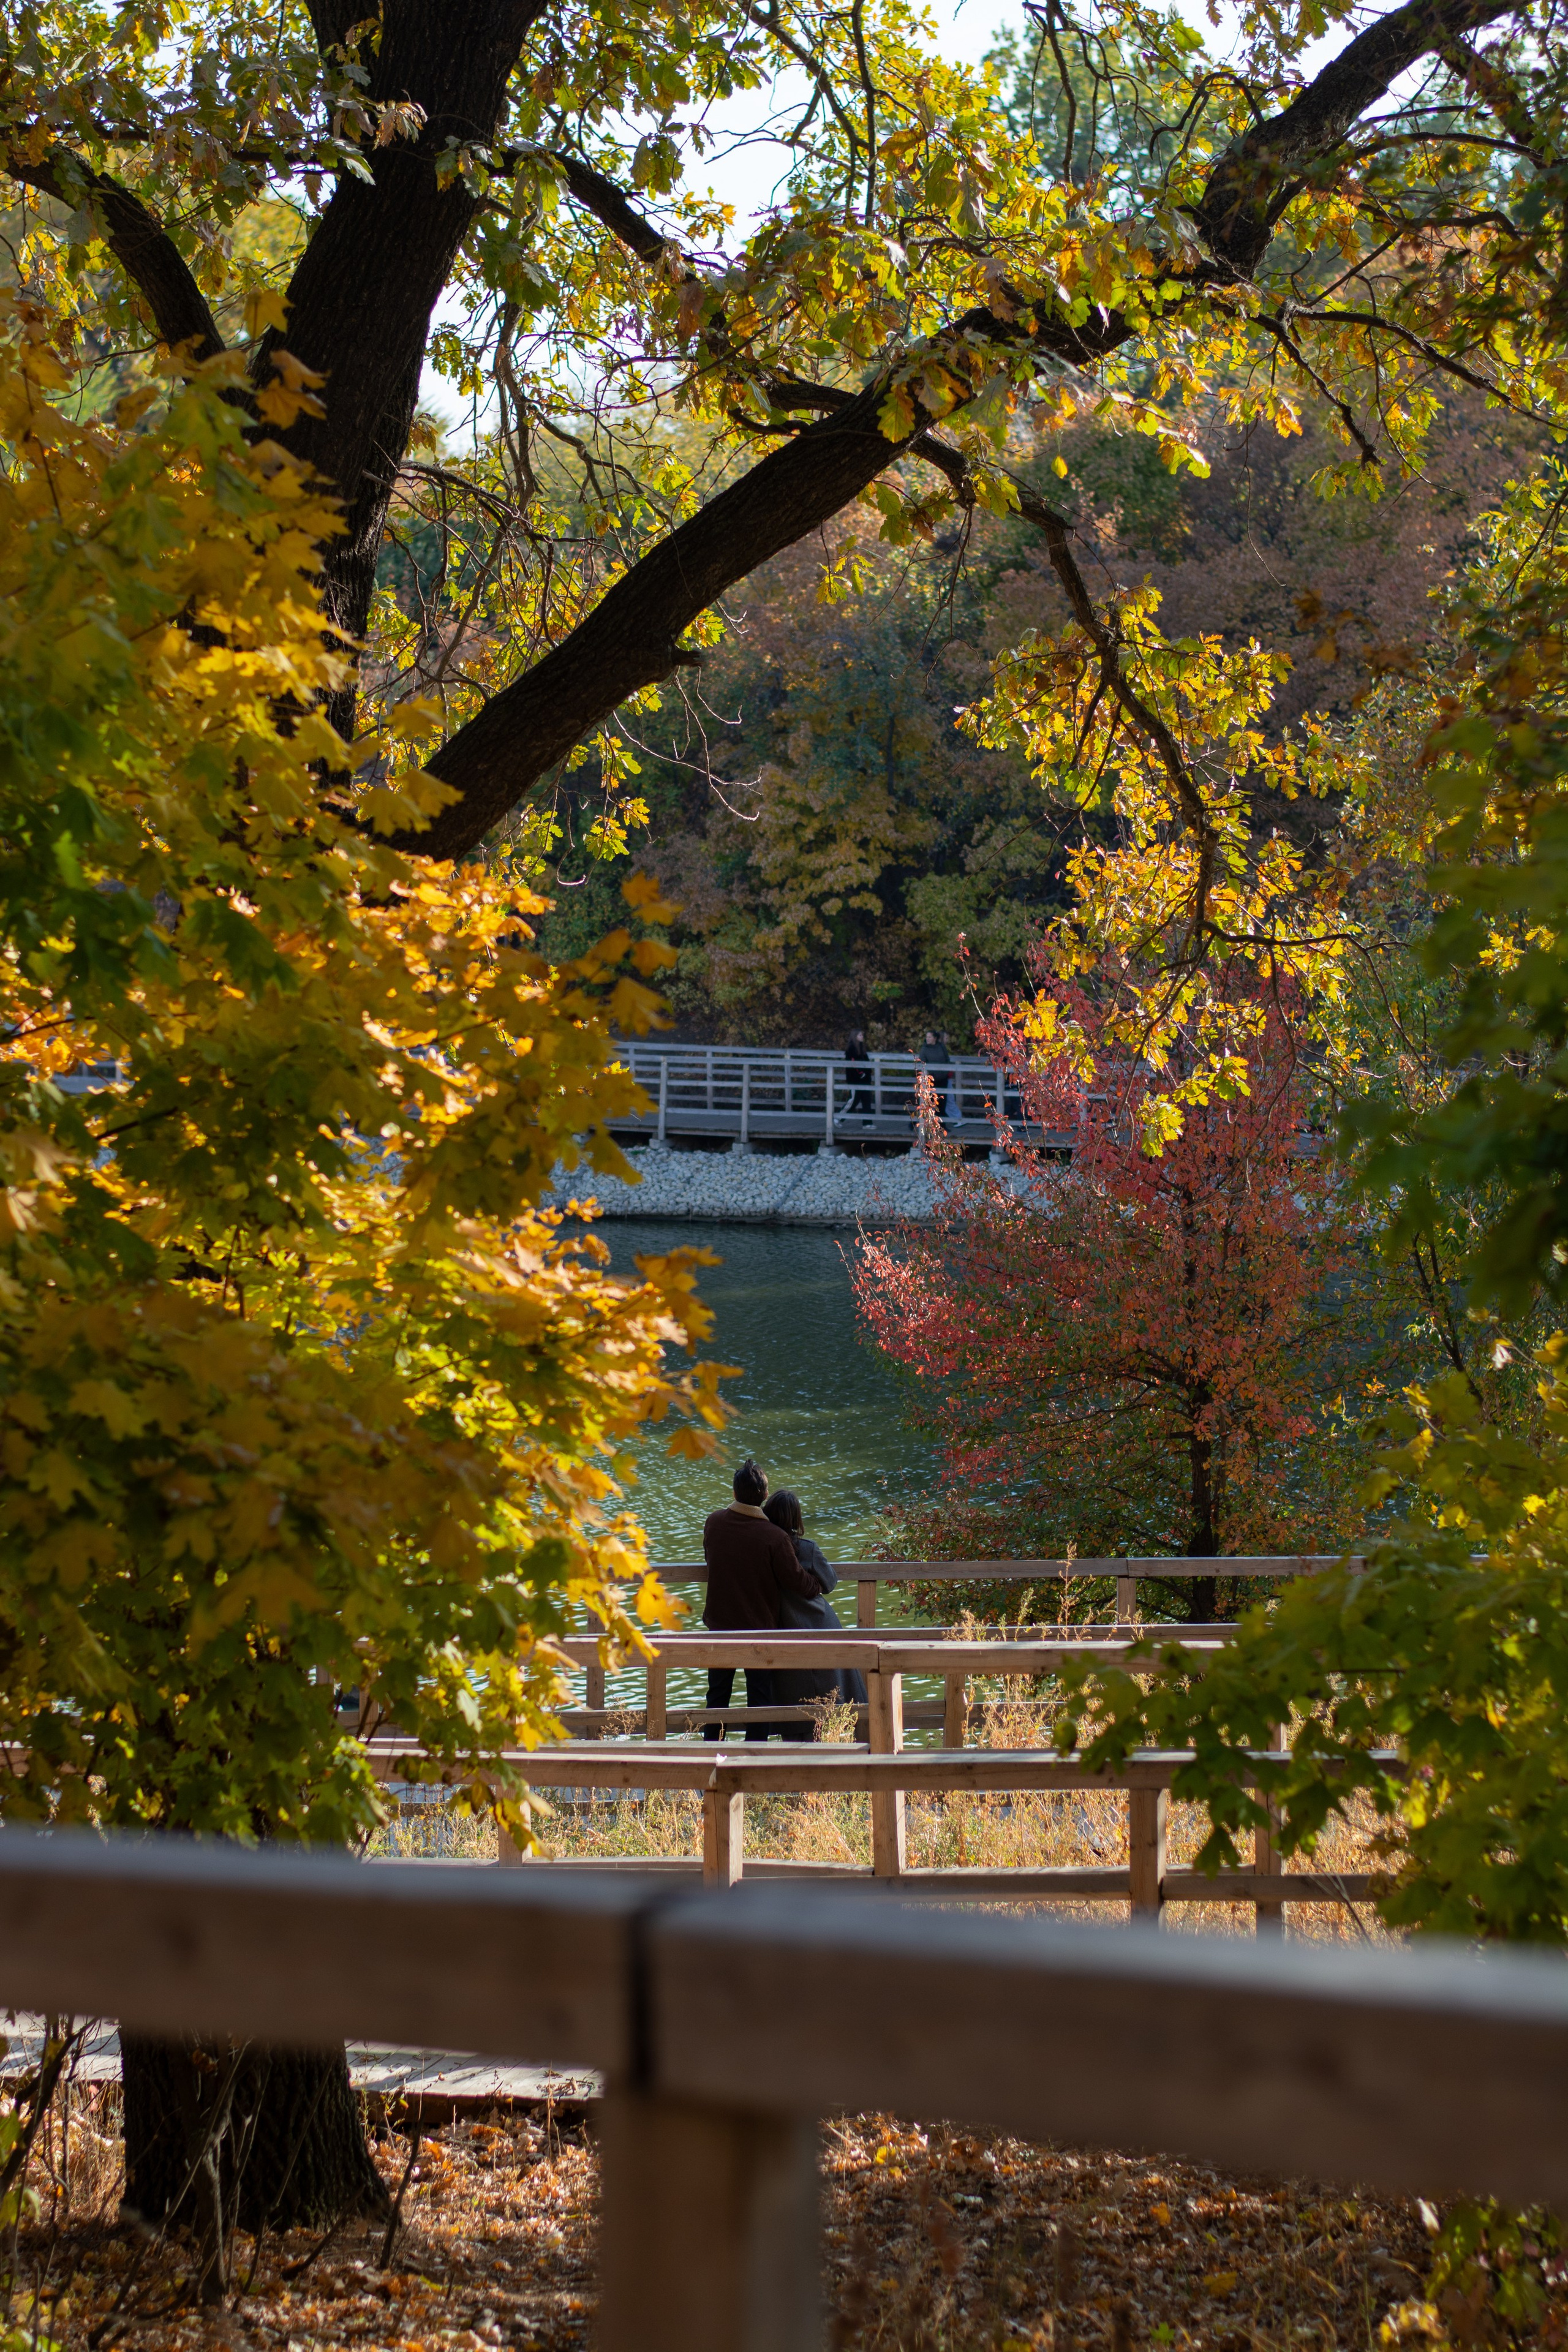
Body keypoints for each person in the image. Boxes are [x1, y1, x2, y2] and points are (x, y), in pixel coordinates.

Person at [701, 1457, 820, 1741]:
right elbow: (797, 1580)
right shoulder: (774, 1537)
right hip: (759, 1628)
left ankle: (709, 1753)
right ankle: (755, 1755)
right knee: (759, 1696)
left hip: (720, 1626)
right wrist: (817, 1585)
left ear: (734, 1493)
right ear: (765, 1496)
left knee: (717, 1694)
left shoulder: (714, 1523)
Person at [762, 1490, 869, 1735]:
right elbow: (830, 1582)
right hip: (819, 1623)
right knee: (834, 1693)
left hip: (783, 1627)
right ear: (796, 1518)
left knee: (792, 1696)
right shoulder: (805, 1549)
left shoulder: (762, 1548)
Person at [843, 1026, 873, 1119]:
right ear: (855, 1036)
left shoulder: (862, 1048)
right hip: (856, 1079)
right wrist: (861, 1073)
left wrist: (867, 1073)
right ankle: (839, 1117)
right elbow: (853, 1063)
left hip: (865, 1079)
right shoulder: (851, 1049)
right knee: (854, 1100)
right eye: (860, 1035)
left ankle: (867, 1123)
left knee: (867, 1100)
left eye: (862, 1035)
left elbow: (866, 1062)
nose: (862, 1037)